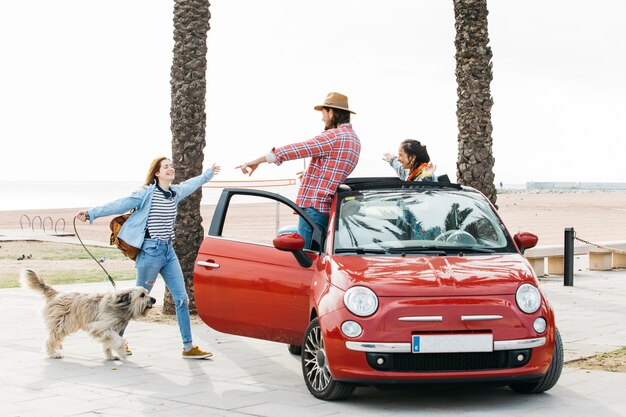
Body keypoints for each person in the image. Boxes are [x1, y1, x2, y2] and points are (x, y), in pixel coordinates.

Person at [76, 157, 221, 359]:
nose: (171, 168)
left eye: (171, 165)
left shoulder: (174, 193)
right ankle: (117, 341)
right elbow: (121, 204)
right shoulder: (147, 193)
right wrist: (91, 213)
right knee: (133, 302)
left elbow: (191, 184)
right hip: (150, 253)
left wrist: (208, 174)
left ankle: (188, 347)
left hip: (169, 252)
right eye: (166, 166)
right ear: (156, 173)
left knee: (182, 300)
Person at [237, 92, 361, 249]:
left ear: (331, 112)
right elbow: (336, 169)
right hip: (328, 209)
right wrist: (312, 172)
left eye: (323, 113)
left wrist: (257, 161)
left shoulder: (334, 136)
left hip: (314, 208)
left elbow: (297, 149)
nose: (322, 118)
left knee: (306, 260)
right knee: (320, 258)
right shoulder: (354, 140)